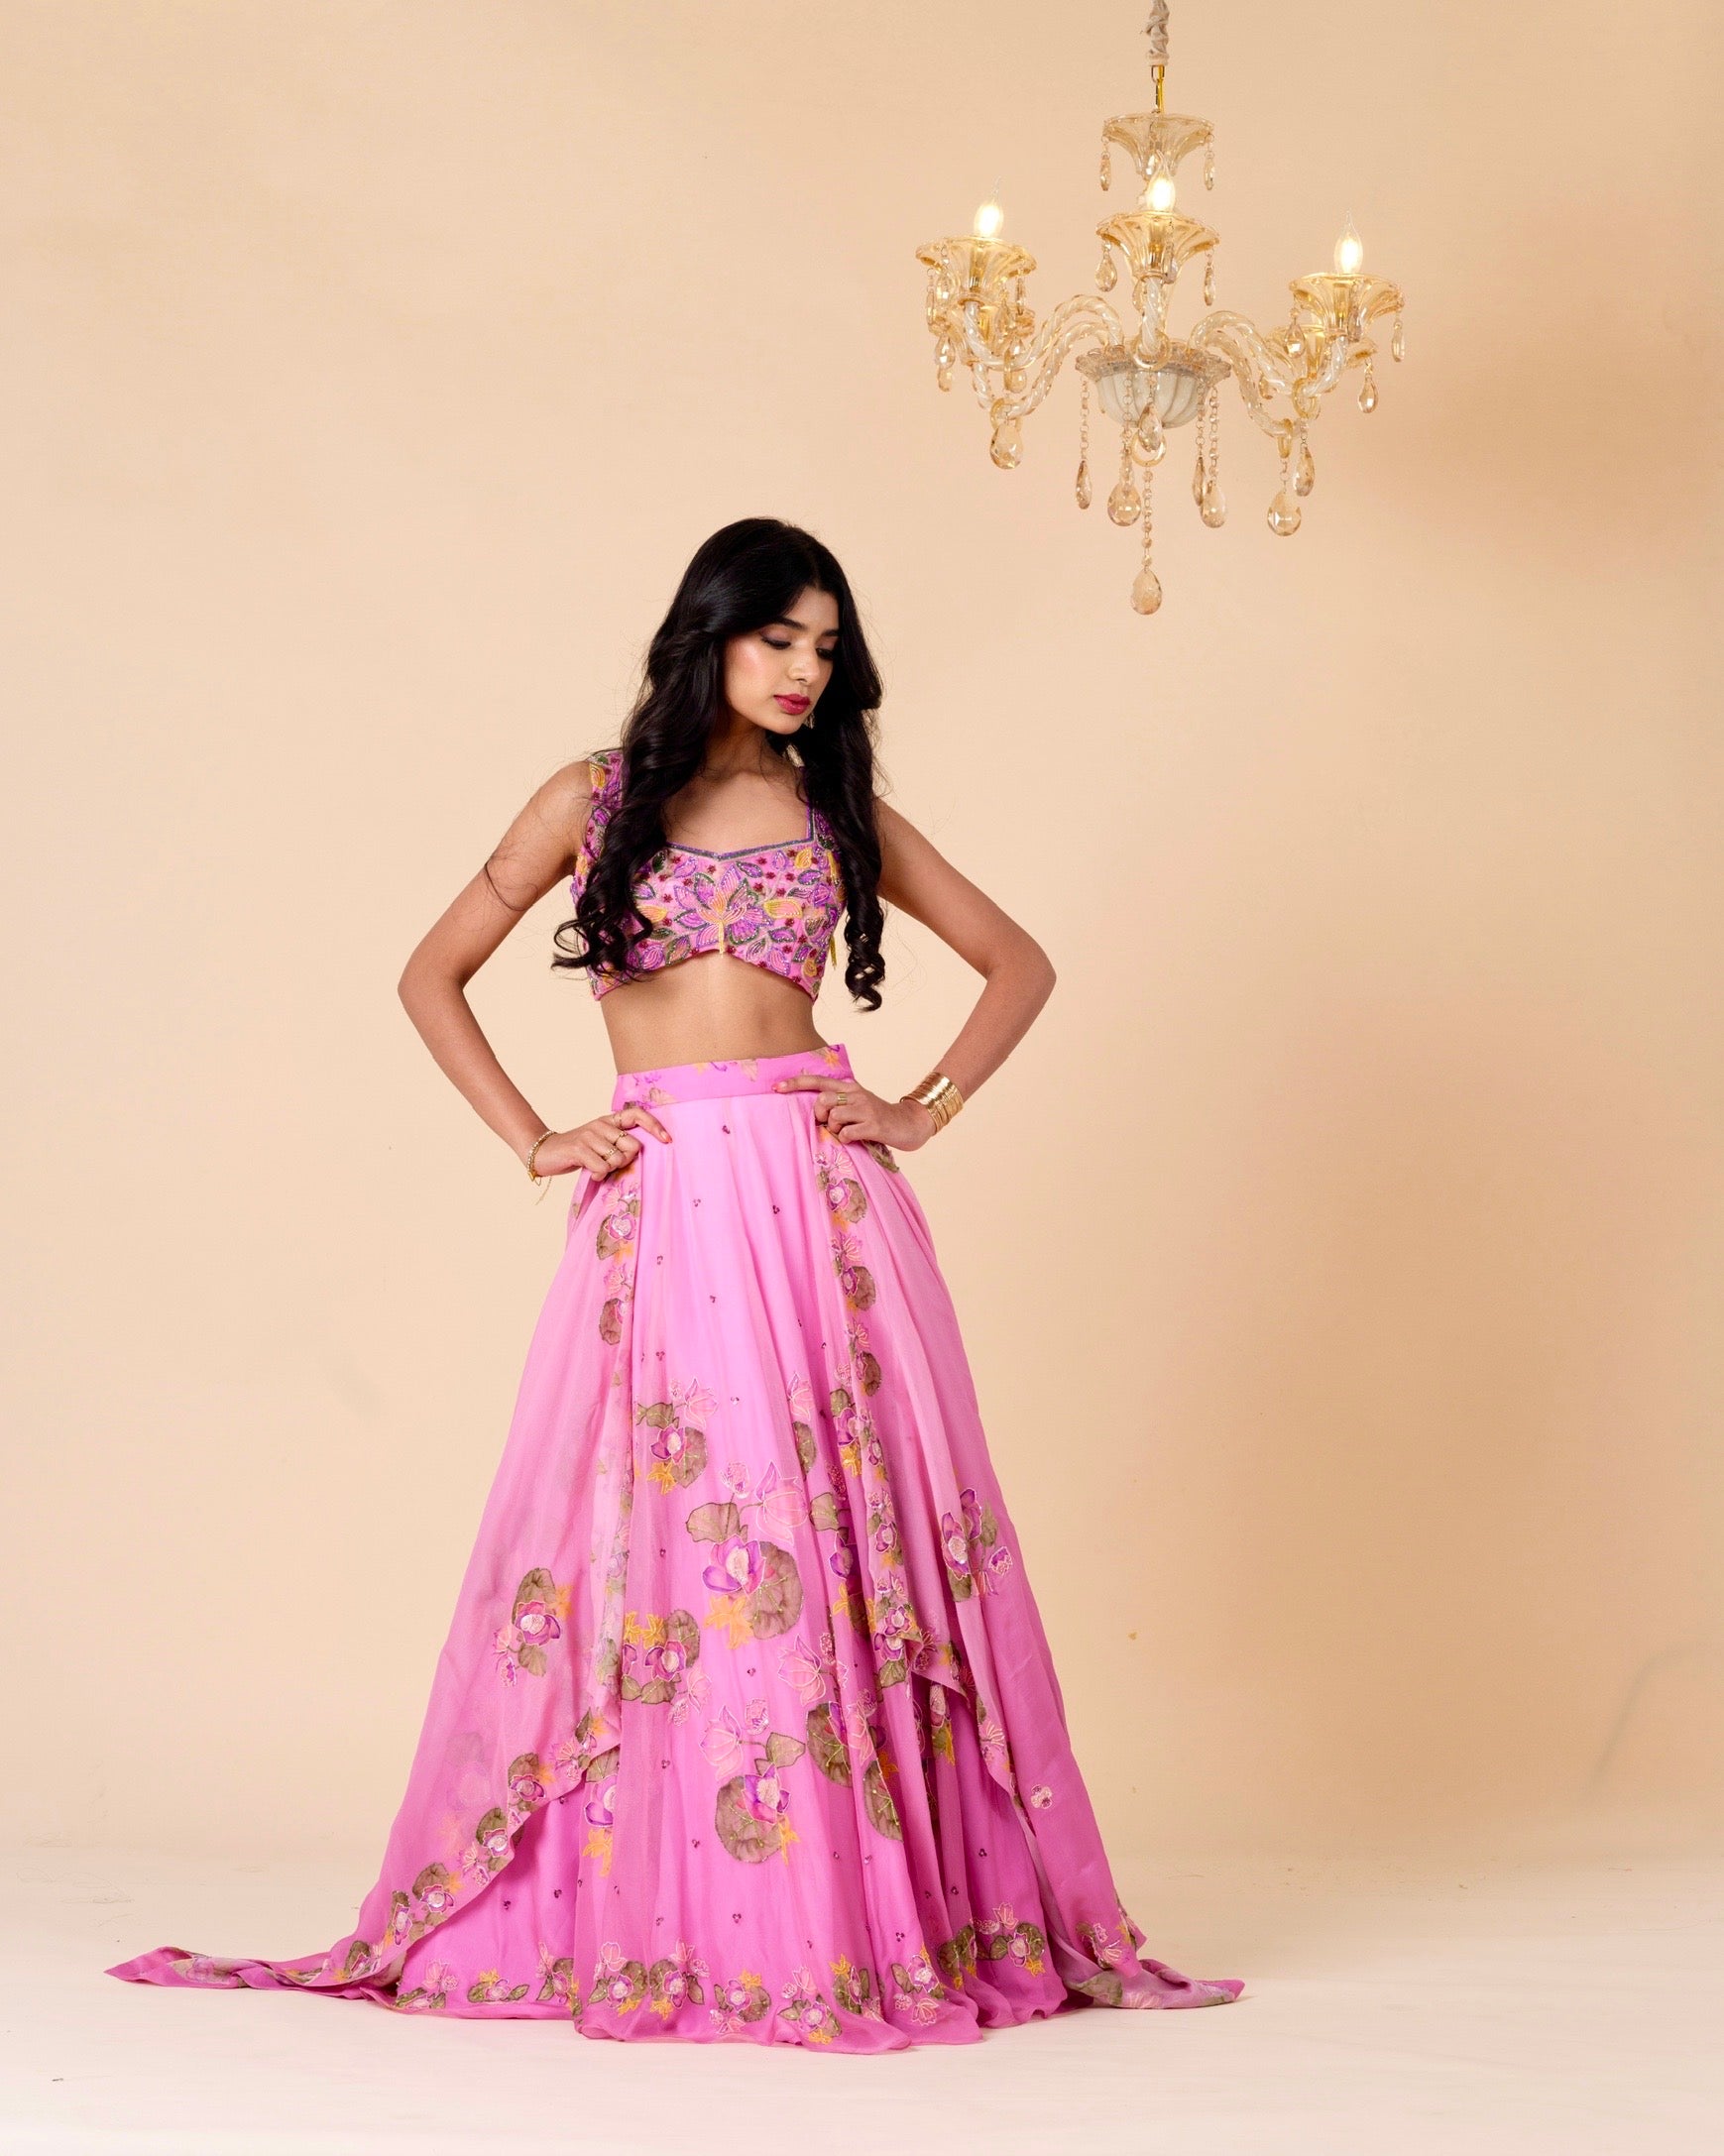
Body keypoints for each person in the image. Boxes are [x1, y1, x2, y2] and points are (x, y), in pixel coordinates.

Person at [107, 517, 1243, 2050]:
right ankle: (695, 1915)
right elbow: (429, 974)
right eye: (780, 637)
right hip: (662, 1205)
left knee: (838, 1540)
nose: (805, 670)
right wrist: (535, 1138)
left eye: (826, 648)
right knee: (679, 1548)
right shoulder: (591, 799)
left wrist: (922, 1109)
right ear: (709, 631)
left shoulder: (835, 807)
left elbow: (1018, 962)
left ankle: (847, 1920)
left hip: (818, 1204)